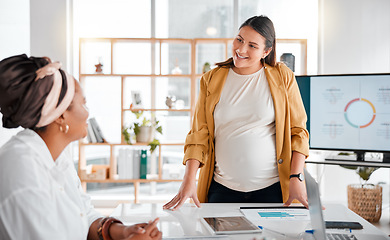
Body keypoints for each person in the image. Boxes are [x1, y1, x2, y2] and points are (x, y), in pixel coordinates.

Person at [0, 54, 162, 240]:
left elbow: (84, 215)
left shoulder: (56, 156)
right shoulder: (22, 172)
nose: (88, 113)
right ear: (61, 115)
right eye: (83, 103)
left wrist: (124, 232)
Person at [163, 15, 309, 211]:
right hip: (222, 189)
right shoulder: (211, 79)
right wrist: (189, 180)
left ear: (266, 51)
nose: (241, 50)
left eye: (252, 46)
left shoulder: (283, 77)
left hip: (272, 189)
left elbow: (298, 131)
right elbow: (199, 135)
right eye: (239, 39)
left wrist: (296, 177)